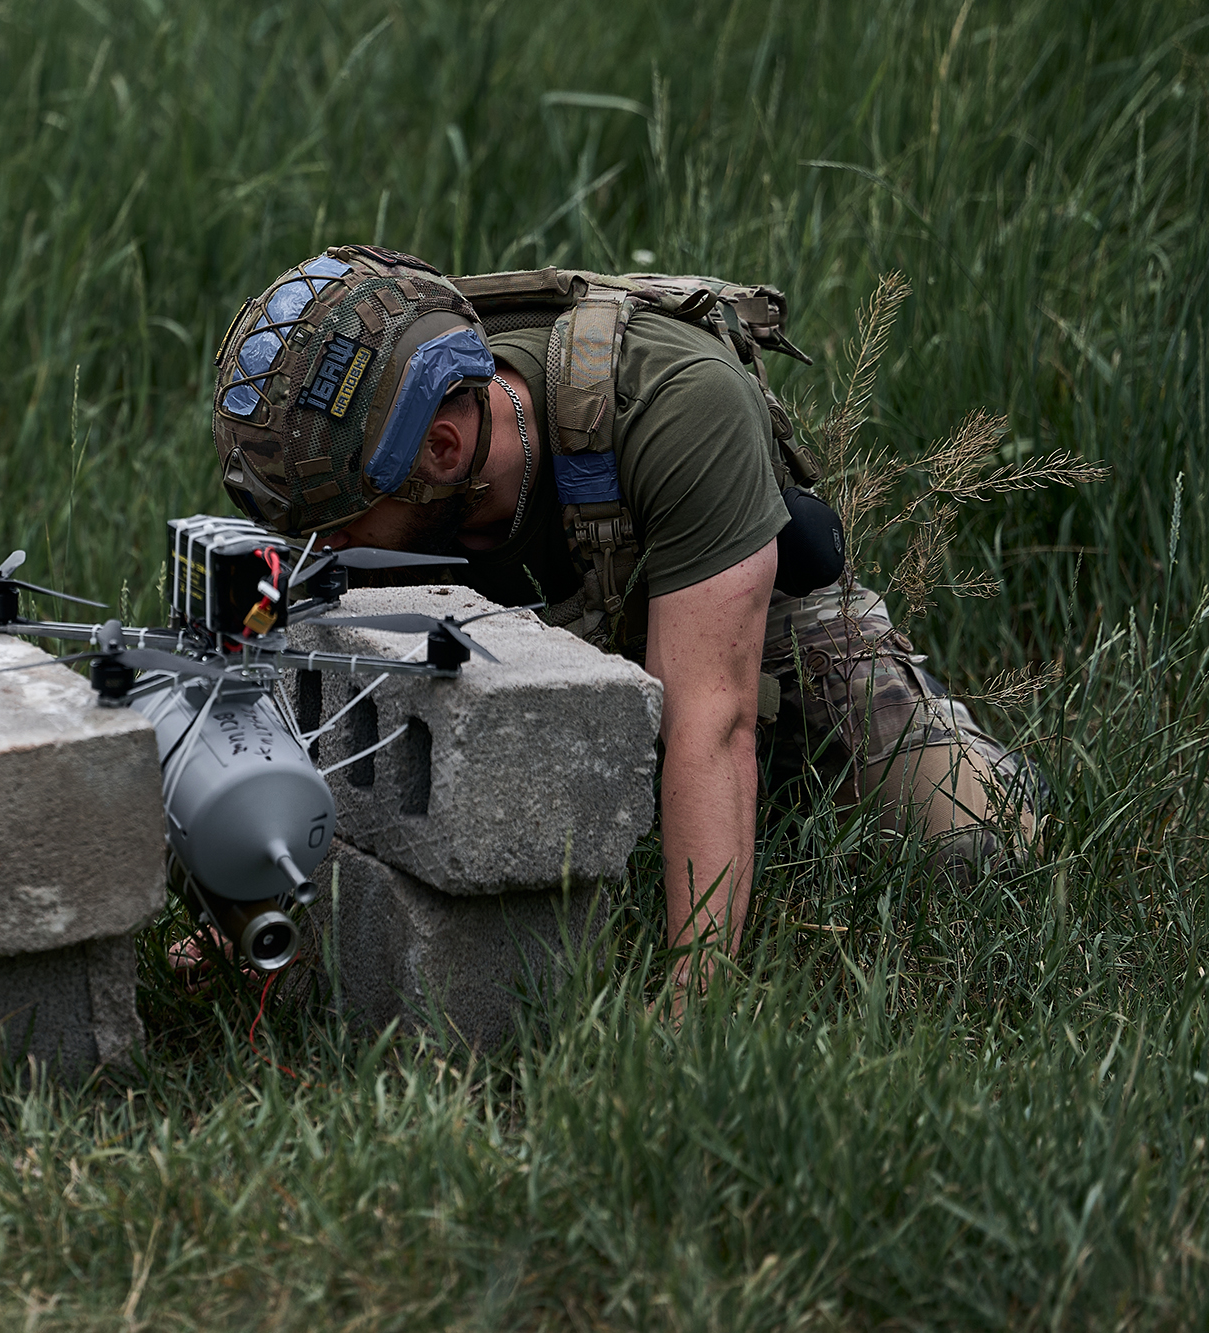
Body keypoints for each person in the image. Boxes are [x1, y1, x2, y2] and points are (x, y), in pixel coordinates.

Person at [209, 245, 1036, 1000]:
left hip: (745, 629)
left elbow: (713, 717)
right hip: (538, 630)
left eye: (342, 528)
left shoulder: (675, 402)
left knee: (974, 842)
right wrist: (252, 905)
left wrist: (690, 1007)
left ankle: (944, 765)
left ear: (444, 453)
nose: (322, 551)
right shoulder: (385, 424)